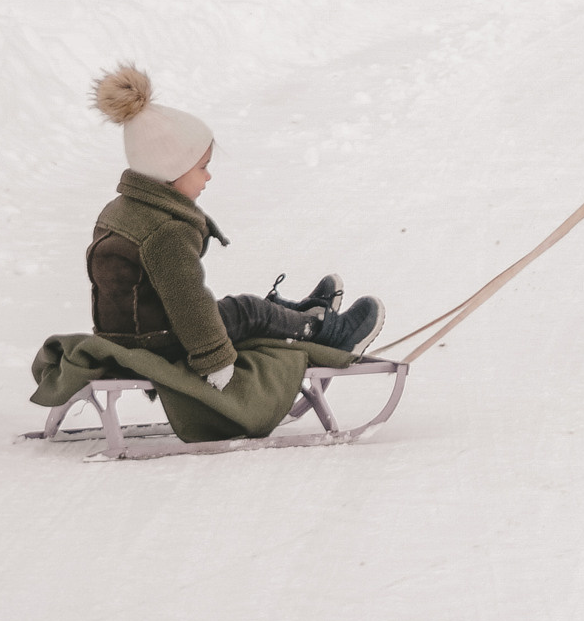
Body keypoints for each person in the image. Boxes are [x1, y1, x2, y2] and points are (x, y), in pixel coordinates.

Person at [85, 65, 383, 385]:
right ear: (171, 169)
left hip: (128, 336)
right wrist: (214, 357)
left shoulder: (123, 210)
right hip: (158, 343)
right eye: (202, 167)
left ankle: (298, 318)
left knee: (240, 310)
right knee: (248, 311)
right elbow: (187, 301)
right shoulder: (166, 232)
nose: (208, 176)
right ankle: (328, 334)